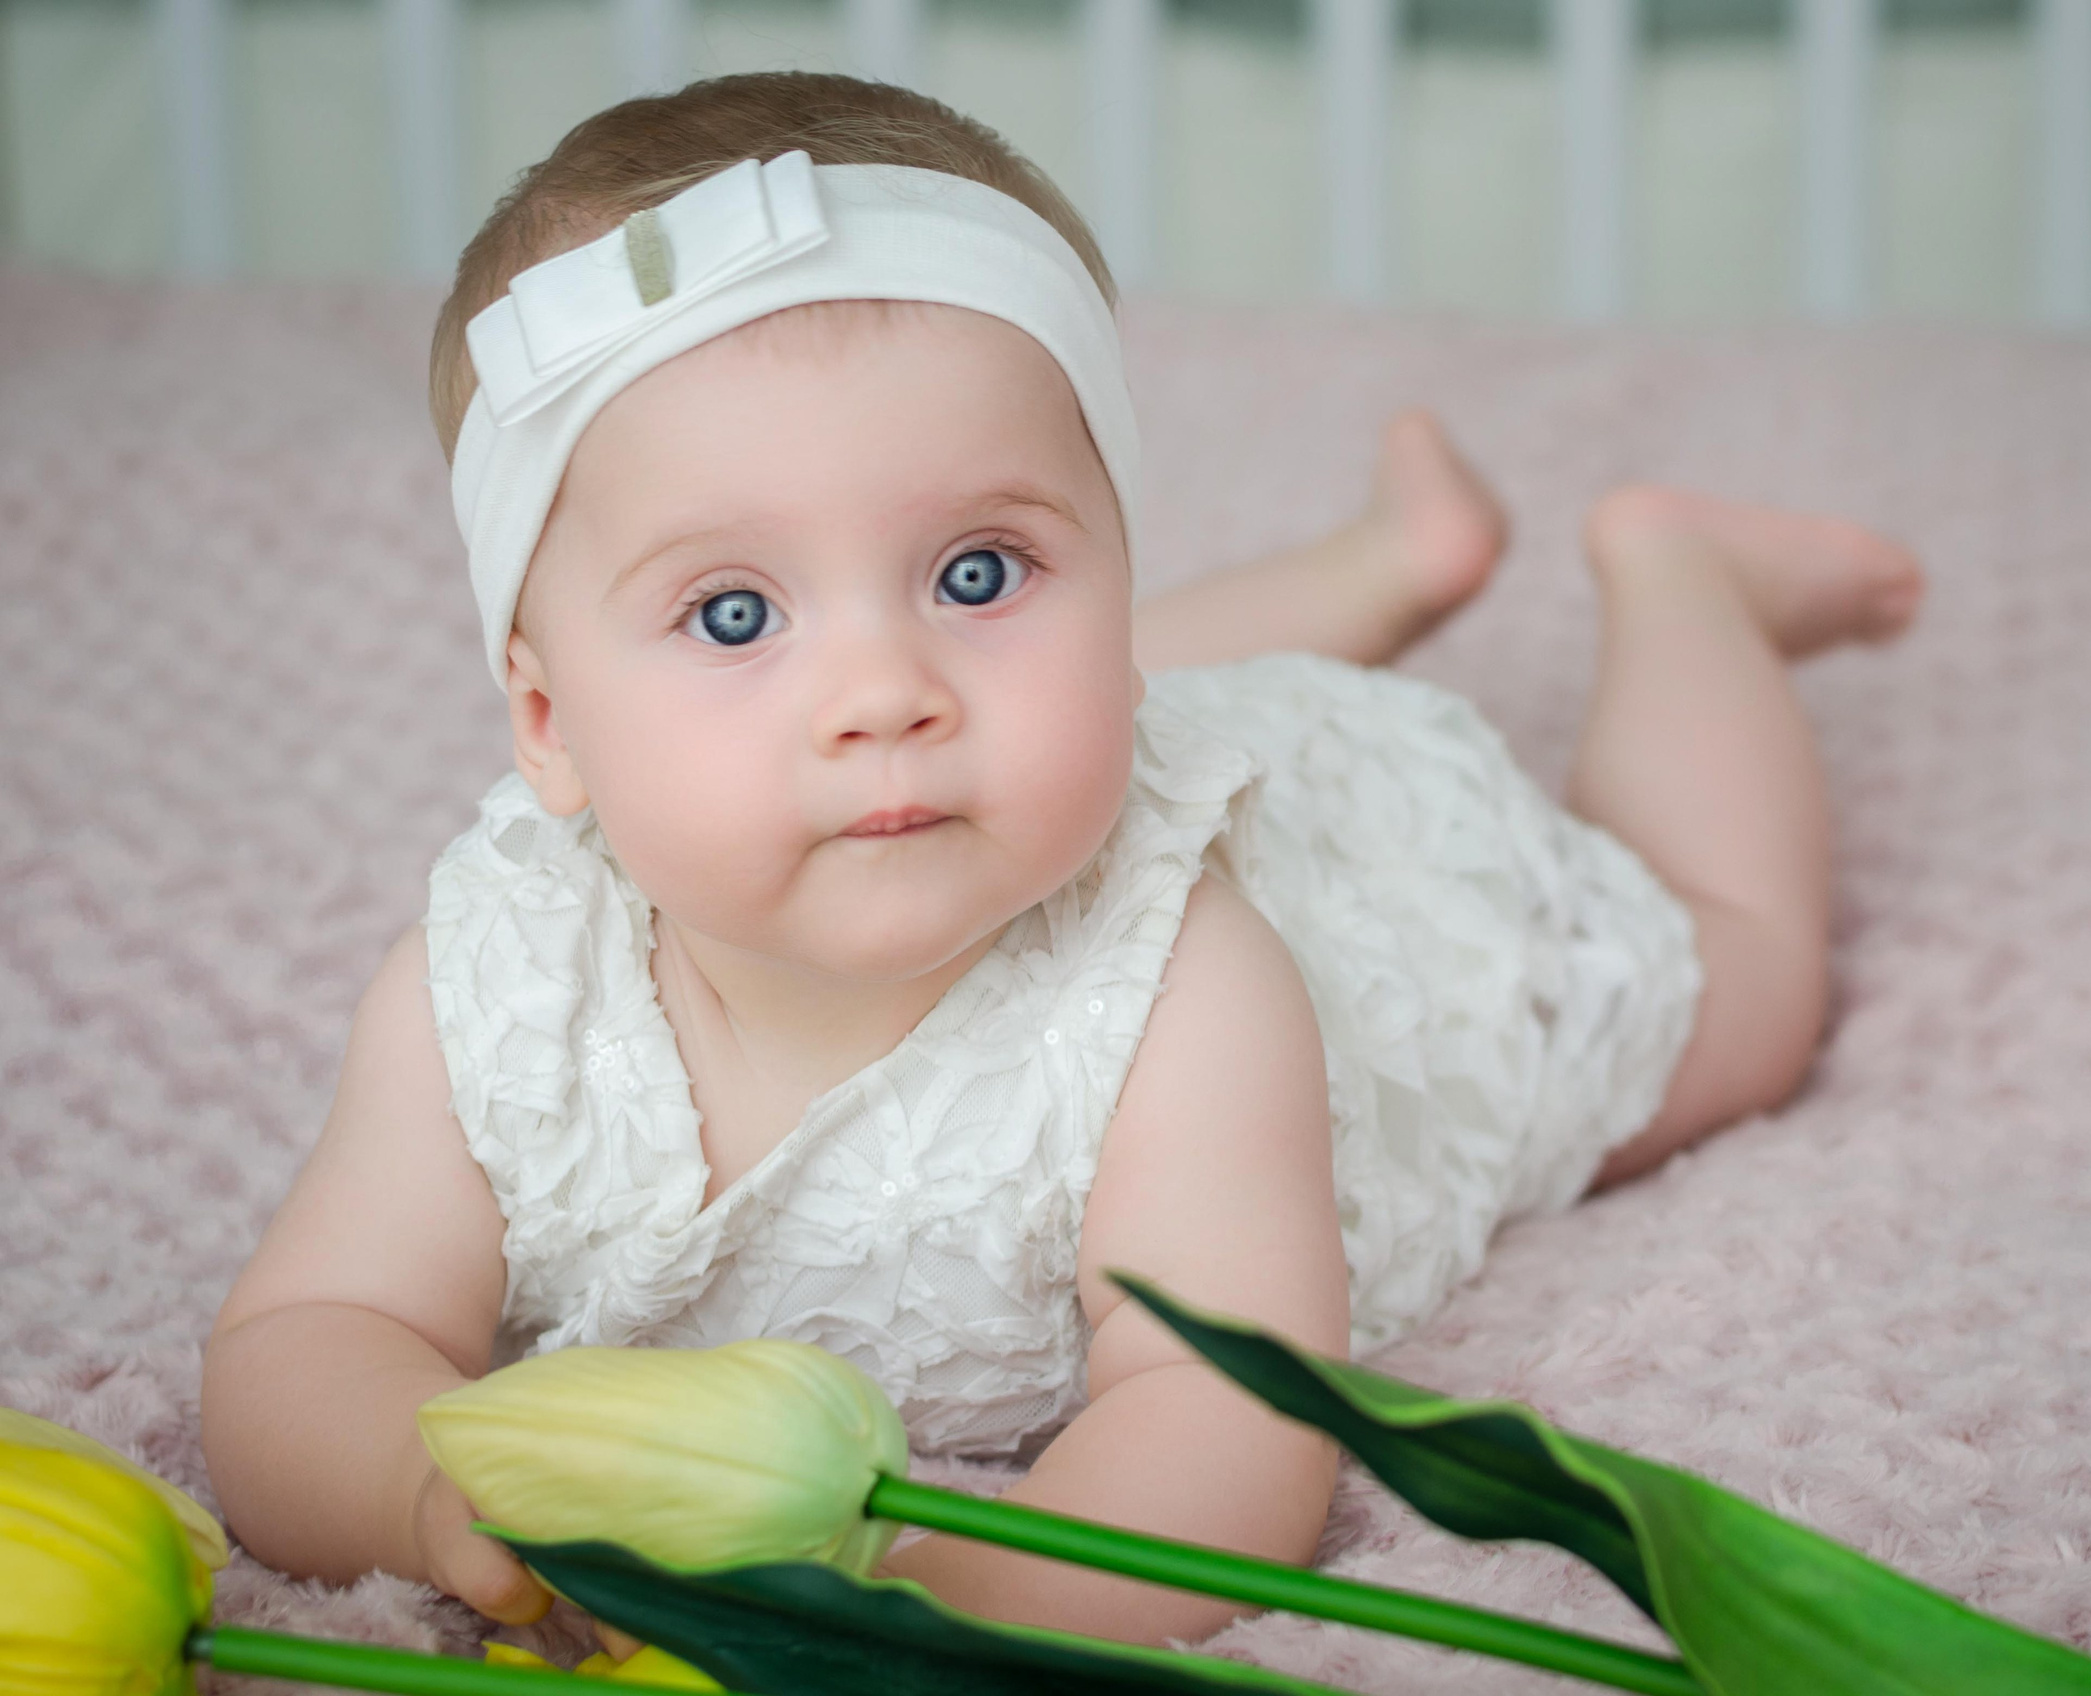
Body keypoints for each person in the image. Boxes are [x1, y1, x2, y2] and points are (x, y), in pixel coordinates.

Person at [200, 72, 1923, 1652]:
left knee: (1740, 986)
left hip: (1400, 889)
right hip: (1068, 748)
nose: (880, 694)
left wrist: (925, 1614)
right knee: (1033, 720)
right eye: (735, 614)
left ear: (1110, 548)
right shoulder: (487, 995)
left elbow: (1225, 1418)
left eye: (980, 569)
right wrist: (424, 1497)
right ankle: (1385, 562)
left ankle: (1683, 580)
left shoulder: (1188, 986)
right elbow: (306, 1342)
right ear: (551, 718)